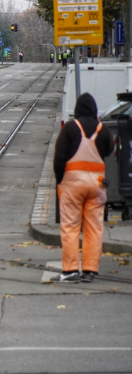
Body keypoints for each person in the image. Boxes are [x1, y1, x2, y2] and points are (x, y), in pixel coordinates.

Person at [53, 93, 113, 283]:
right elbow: (109, 151)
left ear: (78, 109)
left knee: (70, 227)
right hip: (97, 185)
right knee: (94, 228)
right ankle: (89, 269)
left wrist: (60, 180)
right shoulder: (103, 130)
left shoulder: (71, 128)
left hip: (72, 184)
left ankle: (70, 270)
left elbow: (59, 158)